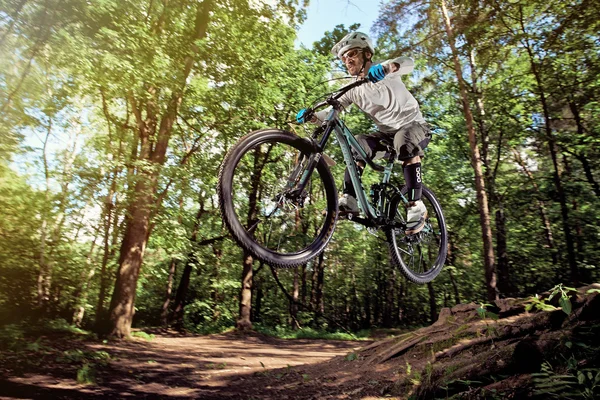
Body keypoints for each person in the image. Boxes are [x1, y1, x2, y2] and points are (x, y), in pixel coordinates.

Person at [297, 31, 432, 235]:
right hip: (387, 136)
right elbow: (331, 112)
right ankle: (350, 199)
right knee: (357, 143)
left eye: (351, 54)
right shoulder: (351, 89)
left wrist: (388, 67)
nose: (347, 60)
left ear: (367, 54)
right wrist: (312, 116)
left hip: (415, 126)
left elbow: (408, 62)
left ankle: (416, 206)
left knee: (403, 139)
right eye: (344, 58)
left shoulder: (386, 70)